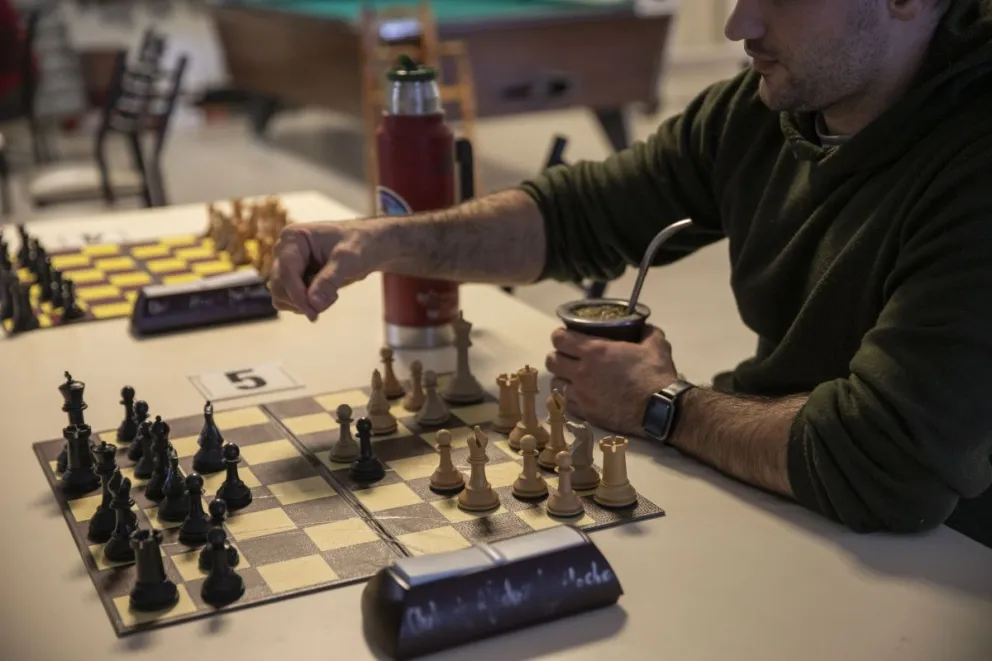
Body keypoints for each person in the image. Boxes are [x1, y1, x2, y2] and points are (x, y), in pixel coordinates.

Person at [269, 0, 992, 547]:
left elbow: (890, 464)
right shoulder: (773, 106)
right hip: (791, 493)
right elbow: (582, 212)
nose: (739, 22)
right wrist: (383, 241)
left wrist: (661, 404)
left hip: (931, 556)